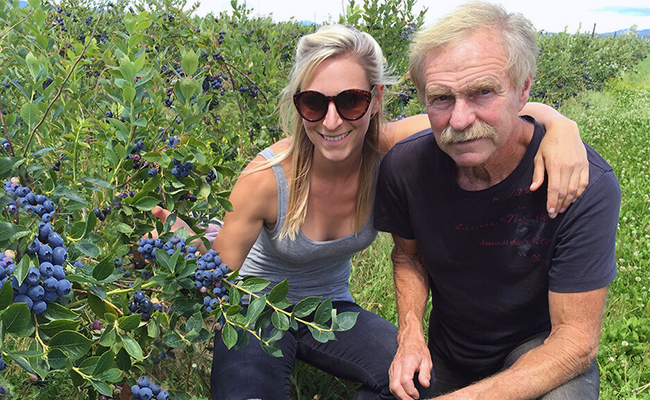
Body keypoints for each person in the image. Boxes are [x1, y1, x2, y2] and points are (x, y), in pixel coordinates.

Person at [153, 24, 589, 400]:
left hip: (332, 308)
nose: (331, 121)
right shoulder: (266, 179)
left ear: (376, 99)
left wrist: (559, 126)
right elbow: (215, 281)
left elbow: (477, 115)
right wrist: (172, 258)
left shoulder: (393, 152)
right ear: (298, 104)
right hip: (257, 309)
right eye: (313, 103)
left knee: (420, 381)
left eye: (351, 101)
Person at [373, 3, 621, 400]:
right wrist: (410, 335)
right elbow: (408, 257)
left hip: (539, 351)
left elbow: (575, 342)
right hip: (449, 351)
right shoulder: (407, 167)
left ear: (524, 89)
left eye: (483, 92)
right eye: (441, 98)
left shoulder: (582, 182)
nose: (459, 119)